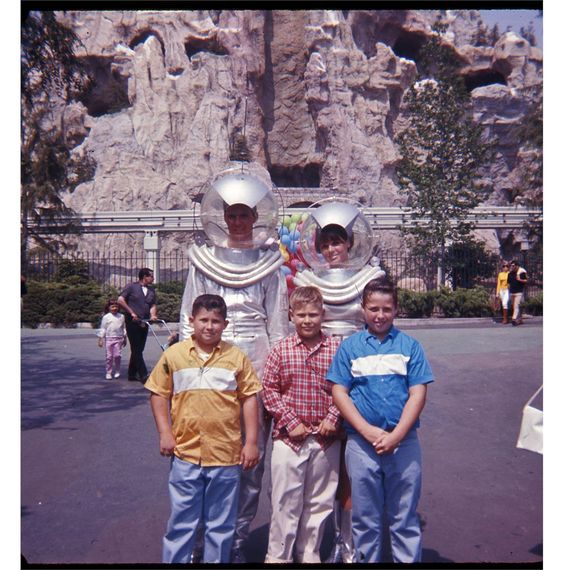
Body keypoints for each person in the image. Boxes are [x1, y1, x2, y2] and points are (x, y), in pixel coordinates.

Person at [179, 163, 288, 562]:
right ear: (224, 218)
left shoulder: (269, 263)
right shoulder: (204, 260)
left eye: (245, 214)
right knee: (204, 455)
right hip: (212, 365)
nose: (239, 220)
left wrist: (278, 374)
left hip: (256, 366)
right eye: (233, 214)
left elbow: (279, 323)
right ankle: (198, 542)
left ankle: (237, 541)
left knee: (249, 461)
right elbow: (189, 315)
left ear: (255, 217)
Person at [293, 198, 385, 562]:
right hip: (321, 373)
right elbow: (297, 326)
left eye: (337, 242)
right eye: (325, 243)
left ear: (349, 243)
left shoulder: (369, 278)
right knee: (322, 463)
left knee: (355, 463)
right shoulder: (306, 279)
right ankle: (322, 541)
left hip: (360, 374)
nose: (332, 249)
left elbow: (378, 324)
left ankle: (350, 545)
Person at [145, 294, 260, 564]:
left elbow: (249, 398)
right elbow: (158, 394)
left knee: (220, 525)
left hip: (226, 455)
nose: (209, 327)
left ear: (225, 324)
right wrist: (165, 433)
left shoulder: (236, 358)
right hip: (186, 454)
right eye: (204, 320)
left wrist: (251, 441)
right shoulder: (174, 356)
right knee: (182, 522)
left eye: (216, 321)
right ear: (191, 321)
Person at [327, 277, 434, 563]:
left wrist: (397, 435)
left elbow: (417, 393)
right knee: (365, 518)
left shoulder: (410, 347)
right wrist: (365, 430)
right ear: (363, 309)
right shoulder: (350, 347)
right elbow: (339, 390)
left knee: (404, 516)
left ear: (396, 309)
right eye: (373, 308)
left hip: (404, 444)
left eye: (387, 309)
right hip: (362, 445)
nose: (380, 315)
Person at [262, 286, 342, 563]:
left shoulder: (337, 348)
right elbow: (269, 390)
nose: (307, 320)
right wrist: (290, 421)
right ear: (291, 316)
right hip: (289, 439)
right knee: (285, 502)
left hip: (325, 437)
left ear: (323, 315)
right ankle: (278, 557)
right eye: (302, 315)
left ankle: (309, 554)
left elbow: (346, 387)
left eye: (313, 314)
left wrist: (333, 418)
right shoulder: (280, 350)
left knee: (319, 503)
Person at [118, 268, 157, 382]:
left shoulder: (151, 291)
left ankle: (131, 374)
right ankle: (143, 374)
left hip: (145, 322)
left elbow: (153, 305)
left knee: (139, 348)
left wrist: (153, 315)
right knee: (136, 348)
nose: (153, 278)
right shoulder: (131, 287)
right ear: (144, 277)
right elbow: (120, 300)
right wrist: (131, 312)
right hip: (132, 321)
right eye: (151, 276)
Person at [97, 298, 127, 379]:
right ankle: (108, 372)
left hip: (119, 339)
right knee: (109, 356)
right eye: (112, 307)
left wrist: (125, 338)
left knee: (117, 355)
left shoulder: (121, 316)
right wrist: (100, 339)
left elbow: (123, 328)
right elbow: (103, 328)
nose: (114, 308)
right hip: (109, 339)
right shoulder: (106, 317)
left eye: (116, 307)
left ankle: (117, 370)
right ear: (109, 307)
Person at [508, 259, 528, 326]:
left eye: (513, 265)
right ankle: (519, 319)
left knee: (516, 306)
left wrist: (520, 279)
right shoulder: (510, 273)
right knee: (514, 306)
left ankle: (513, 319)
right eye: (511, 265)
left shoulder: (521, 272)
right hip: (512, 292)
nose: (512, 267)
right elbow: (509, 283)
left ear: (517, 266)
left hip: (518, 292)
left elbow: (526, 281)